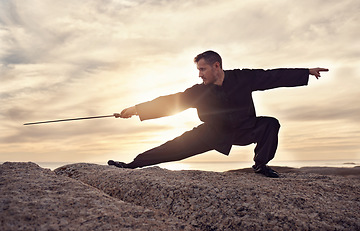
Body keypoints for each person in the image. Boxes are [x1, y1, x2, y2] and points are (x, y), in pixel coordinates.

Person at [108, 50, 328, 178]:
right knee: (172, 148)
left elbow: (272, 77)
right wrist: (137, 109)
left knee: (270, 124)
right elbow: (169, 102)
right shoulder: (199, 91)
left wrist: (305, 72)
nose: (200, 75)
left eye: (202, 69)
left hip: (245, 128)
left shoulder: (242, 78)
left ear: (216, 66)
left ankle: (260, 164)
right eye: (198, 70)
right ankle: (131, 166)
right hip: (212, 133)